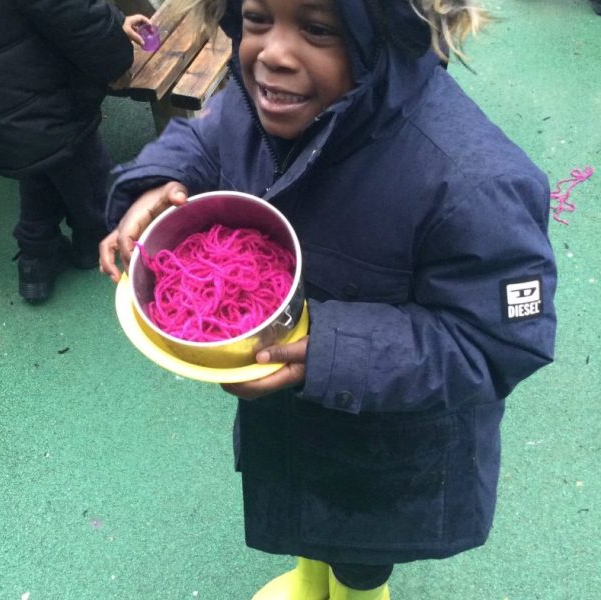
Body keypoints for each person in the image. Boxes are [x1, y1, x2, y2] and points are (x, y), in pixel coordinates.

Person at [100, 0, 557, 598]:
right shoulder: (262, 101)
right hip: (292, 420)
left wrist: (333, 353)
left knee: (360, 551)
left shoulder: (475, 182)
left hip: (391, 449)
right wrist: (160, 179)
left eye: (317, 29)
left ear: (385, 37)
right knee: (306, 515)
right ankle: (308, 578)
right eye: (257, 18)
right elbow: (207, 136)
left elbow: (497, 341)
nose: (273, 54)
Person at [0, 0, 151, 303]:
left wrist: (114, 22)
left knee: (41, 157)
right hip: (41, 89)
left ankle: (36, 259)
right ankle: (91, 241)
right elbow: (73, 13)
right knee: (83, 165)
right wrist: (116, 54)